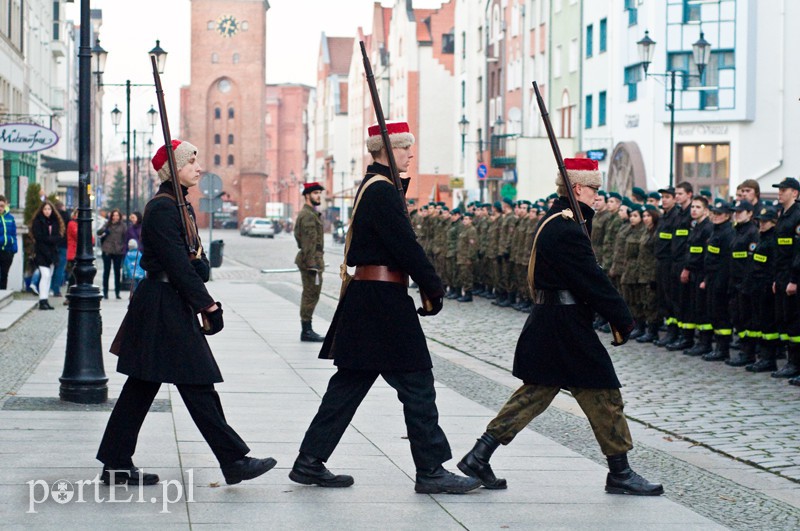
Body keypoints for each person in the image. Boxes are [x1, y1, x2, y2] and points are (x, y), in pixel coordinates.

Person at [290, 121, 481, 494]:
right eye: (405, 147)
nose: (411, 153)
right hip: (382, 301)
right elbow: (405, 245)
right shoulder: (382, 191)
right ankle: (430, 470)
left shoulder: (378, 187)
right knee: (418, 383)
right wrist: (433, 286)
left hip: (372, 299)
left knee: (348, 386)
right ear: (386, 150)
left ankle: (309, 461)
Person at [458, 158, 662, 496]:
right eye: (594, 189)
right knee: (603, 394)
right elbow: (591, 279)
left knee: (534, 395)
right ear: (577, 188)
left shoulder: (561, 220)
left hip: (554, 323)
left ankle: (480, 455)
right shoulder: (566, 227)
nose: (598, 196)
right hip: (565, 327)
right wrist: (621, 317)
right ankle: (621, 473)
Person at [97, 139, 275, 487]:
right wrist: (206, 304)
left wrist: (200, 271)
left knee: (144, 386)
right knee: (196, 381)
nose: (198, 167)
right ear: (173, 169)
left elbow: (196, 261)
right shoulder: (163, 207)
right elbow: (178, 265)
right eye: (191, 161)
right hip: (163, 302)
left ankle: (115, 462)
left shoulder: (181, 207)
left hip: (168, 301)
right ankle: (234, 460)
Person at [770, 178, 800, 380]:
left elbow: (798, 252)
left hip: (793, 276)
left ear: (795, 193)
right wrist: (776, 278)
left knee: (796, 323)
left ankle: (796, 363)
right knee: (786, 320)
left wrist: (794, 279)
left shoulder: (797, 216)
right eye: (779, 189)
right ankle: (791, 362)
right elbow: (778, 251)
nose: (779, 192)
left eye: (784, 189)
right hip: (781, 275)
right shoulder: (783, 216)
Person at [294, 182, 326, 342]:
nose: (318, 196)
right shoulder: (307, 215)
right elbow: (308, 242)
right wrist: (312, 264)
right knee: (310, 295)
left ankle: (307, 329)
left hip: (312, 260)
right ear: (307, 195)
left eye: (319, 193)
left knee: (312, 294)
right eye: (315, 193)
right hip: (311, 262)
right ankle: (306, 331)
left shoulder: (310, 213)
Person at [31, 201, 65, 310]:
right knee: (45, 275)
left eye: (49, 209)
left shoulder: (55, 221)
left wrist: (49, 239)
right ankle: (42, 300)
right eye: (45, 209)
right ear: (42, 210)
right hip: (41, 253)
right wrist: (50, 240)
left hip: (52, 253)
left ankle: (45, 300)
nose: (47, 211)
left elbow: (58, 237)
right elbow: (39, 238)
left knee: (49, 276)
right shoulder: (38, 221)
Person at [97, 209, 126, 299]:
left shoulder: (123, 225)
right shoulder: (107, 224)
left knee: (117, 272)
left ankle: (117, 292)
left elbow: (125, 237)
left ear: (119, 216)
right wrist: (104, 230)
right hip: (107, 250)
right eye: (114, 215)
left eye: (117, 215)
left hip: (118, 250)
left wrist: (123, 248)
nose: (115, 217)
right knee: (106, 271)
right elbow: (99, 232)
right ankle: (105, 292)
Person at [50, 200, 70, 297]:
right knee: (60, 268)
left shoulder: (52, 217)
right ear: (62, 207)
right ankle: (56, 289)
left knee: (50, 268)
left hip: (53, 244)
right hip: (64, 245)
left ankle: (50, 286)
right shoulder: (66, 216)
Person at [0, 195, 17, 290]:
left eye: (2, 206)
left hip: (8, 251)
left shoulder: (10, 218)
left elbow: (14, 234)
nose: (0, 208)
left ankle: (2, 293)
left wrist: (14, 248)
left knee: (4, 274)